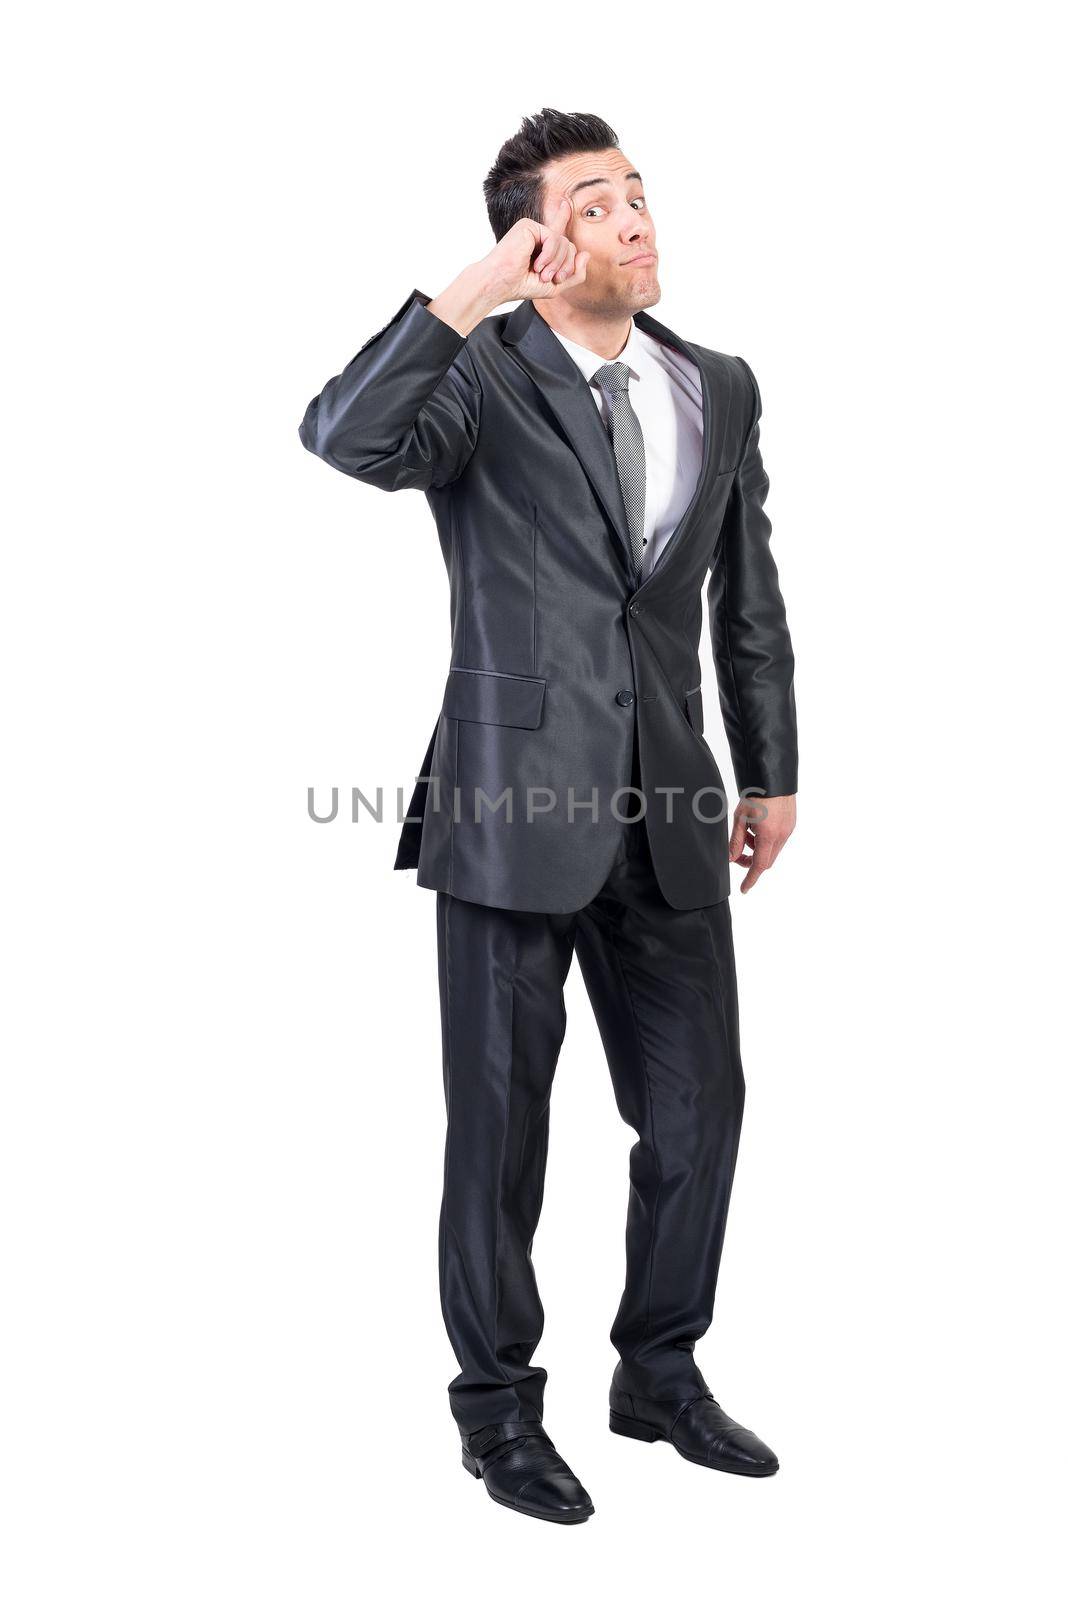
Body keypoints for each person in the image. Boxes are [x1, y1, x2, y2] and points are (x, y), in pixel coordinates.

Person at [299, 108, 798, 1525]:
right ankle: (499, 1416)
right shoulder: (478, 381)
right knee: (501, 1129)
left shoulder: (721, 382)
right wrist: (466, 298)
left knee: (702, 1114)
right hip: (514, 809)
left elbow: (745, 598)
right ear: (533, 237)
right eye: (595, 201)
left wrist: (771, 768)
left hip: (674, 812)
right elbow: (345, 435)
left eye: (639, 190)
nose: (635, 214)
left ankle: (659, 1373)